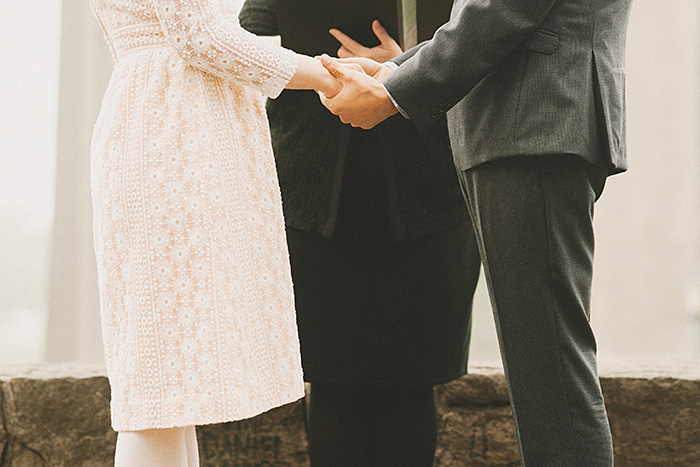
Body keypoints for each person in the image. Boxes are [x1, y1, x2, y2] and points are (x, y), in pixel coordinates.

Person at [318, 0, 633, 465]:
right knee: (543, 373)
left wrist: (395, 91)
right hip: (524, 123)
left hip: (536, 123)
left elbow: (503, 7)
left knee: (551, 377)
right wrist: (395, 71)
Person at [88, 0, 343, 465]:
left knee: (168, 383)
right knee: (161, 387)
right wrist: (329, 75)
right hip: (175, 139)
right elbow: (200, 36)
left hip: (159, 121)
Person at [238, 1, 481, 466]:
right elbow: (251, 45)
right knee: (330, 378)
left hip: (427, 190)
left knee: (414, 377)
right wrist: (323, 70)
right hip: (314, 189)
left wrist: (404, 65)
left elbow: (484, 36)